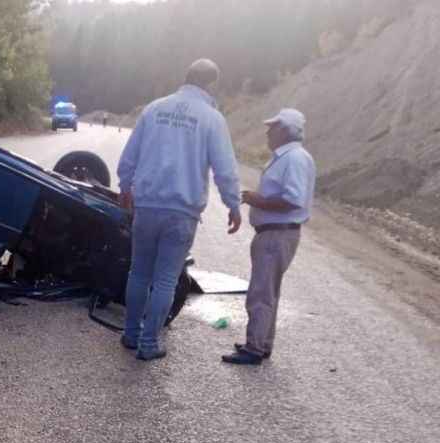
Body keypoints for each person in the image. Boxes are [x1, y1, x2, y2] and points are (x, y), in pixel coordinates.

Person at [117, 59, 242, 360]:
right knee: (165, 280)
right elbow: (224, 169)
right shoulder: (212, 119)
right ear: (210, 84)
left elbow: (130, 155)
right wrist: (233, 204)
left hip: (146, 206)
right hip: (181, 212)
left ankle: (131, 334)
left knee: (138, 274)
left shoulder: (154, 109)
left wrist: (125, 187)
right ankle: (148, 344)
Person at [222, 108, 315, 365]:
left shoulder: (293, 158)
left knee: (261, 292)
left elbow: (291, 200)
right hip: (279, 233)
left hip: (276, 234)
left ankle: (254, 348)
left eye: (273, 127)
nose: (268, 131)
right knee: (269, 291)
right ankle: (262, 343)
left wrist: (256, 200)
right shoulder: (294, 157)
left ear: (285, 130)